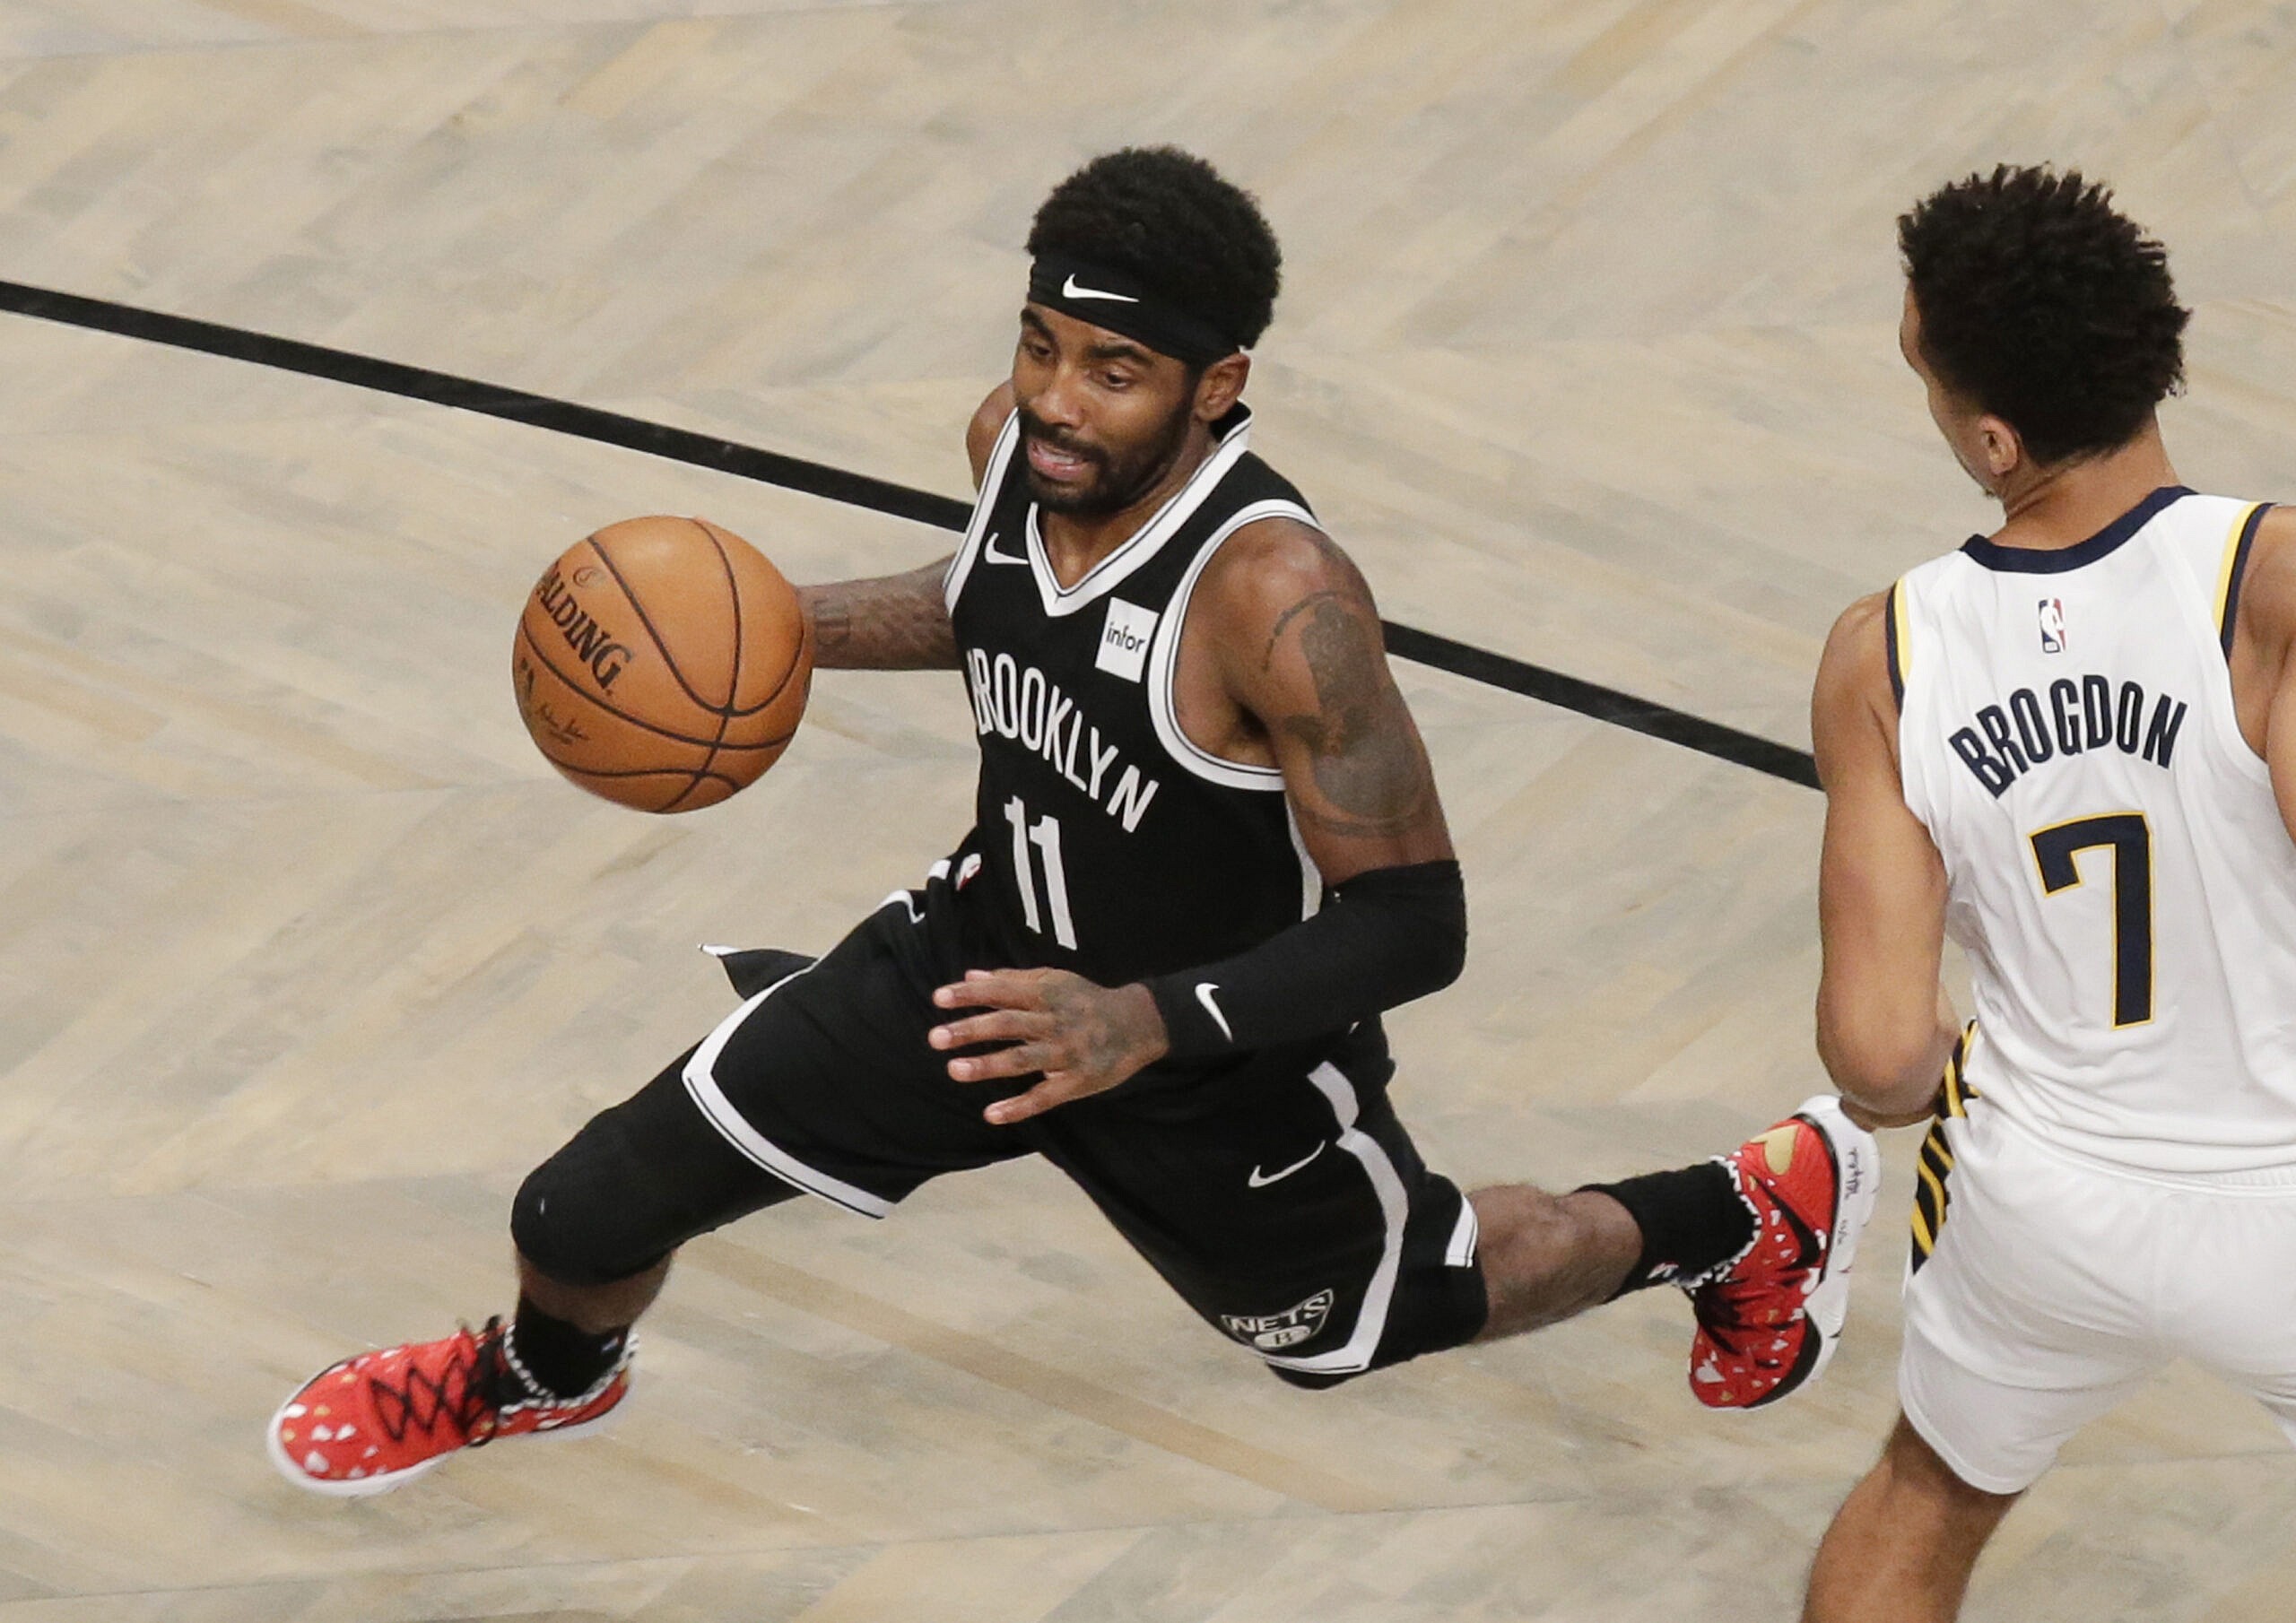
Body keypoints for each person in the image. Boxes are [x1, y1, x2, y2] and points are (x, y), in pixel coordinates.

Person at [267, 147, 1876, 1497]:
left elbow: (1417, 924)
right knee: (581, 1208)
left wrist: (1144, 1024)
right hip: (980, 971)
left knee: (1371, 1319)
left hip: (1209, 1062)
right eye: (1041, 344)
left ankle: (1742, 1207)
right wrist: (763, 633)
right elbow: (989, 603)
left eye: (1114, 371)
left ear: (1217, 383)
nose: (1058, 401)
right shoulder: (1013, 450)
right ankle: (545, 1373)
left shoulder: (1279, 599)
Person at [1801, 165, 2296, 1622]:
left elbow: (1883, 1058)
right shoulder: (2265, 582)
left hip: (2046, 1196)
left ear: (1992, 435)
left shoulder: (1882, 653)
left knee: (1926, 1499)